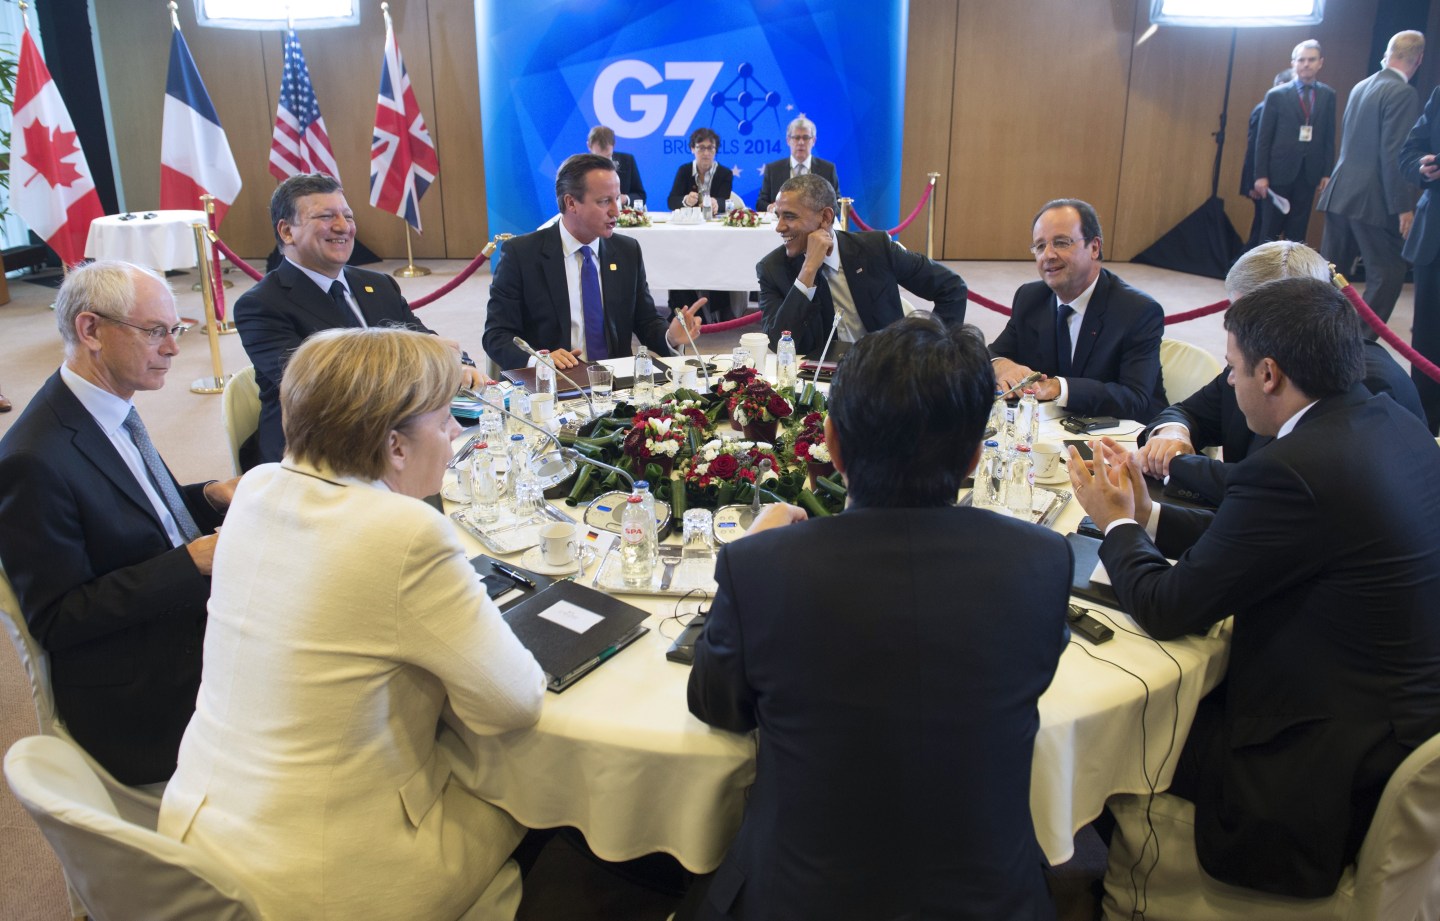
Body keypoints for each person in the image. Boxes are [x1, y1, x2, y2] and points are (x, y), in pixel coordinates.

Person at [685, 315, 1068, 921]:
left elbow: (716, 704)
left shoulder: (761, 568)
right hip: (995, 899)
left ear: (831, 444)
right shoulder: (1044, 561)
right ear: (973, 456)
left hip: (800, 900)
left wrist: (750, 552)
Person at [1069, 276, 1440, 899]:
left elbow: (1168, 608)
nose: (1230, 384)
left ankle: (1110, 889)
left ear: (1269, 374)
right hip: (1397, 722)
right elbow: (1257, 539)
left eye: (1234, 370)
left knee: (1114, 729)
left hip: (1320, 767)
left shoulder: (1294, 469)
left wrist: (1120, 527)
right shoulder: (1387, 422)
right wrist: (1151, 516)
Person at [158, 328, 547, 921]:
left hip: (198, 834)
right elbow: (511, 706)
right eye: (445, 421)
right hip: (329, 879)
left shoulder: (259, 485)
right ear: (395, 445)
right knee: (540, 784)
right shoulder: (405, 533)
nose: (456, 437)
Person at [0, 261, 238, 785]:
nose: (174, 349)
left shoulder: (105, 405)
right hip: (139, 688)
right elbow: (58, 618)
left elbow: (130, 509)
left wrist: (208, 497)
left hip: (175, 616)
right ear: (91, 331)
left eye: (174, 331)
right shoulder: (32, 460)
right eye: (156, 332)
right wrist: (191, 562)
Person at [1136, 241, 1423, 504]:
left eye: (1250, 318)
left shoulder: (1367, 386)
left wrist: (1178, 466)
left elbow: (1282, 488)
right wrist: (1172, 434)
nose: (1238, 330)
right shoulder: (1256, 357)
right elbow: (1190, 412)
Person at [234, 173, 481, 468]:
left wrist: (459, 364)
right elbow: (319, 390)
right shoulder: (261, 305)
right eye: (326, 217)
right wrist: (407, 356)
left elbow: (424, 340)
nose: (343, 227)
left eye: (347, 216)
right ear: (287, 231)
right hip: (319, 452)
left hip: (395, 432)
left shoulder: (377, 284)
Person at [483, 153, 704, 371]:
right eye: (604, 201)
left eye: (616, 198)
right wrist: (539, 361)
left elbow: (645, 320)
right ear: (571, 203)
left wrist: (670, 336)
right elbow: (497, 335)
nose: (616, 211)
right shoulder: (522, 255)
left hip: (616, 387)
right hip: (550, 388)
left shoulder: (627, 251)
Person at [991, 199, 1166, 421]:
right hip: (1055, 430)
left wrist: (1060, 388)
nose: (1048, 255)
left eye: (1062, 243)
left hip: (1123, 437)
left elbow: (1135, 398)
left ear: (1094, 247)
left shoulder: (1138, 311)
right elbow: (992, 354)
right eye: (1040, 246)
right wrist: (1001, 365)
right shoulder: (1030, 297)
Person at [755, 173, 967, 353]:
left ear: (826, 218)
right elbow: (776, 342)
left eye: (790, 217)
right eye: (778, 216)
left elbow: (952, 288)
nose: (779, 227)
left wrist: (936, 351)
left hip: (885, 376)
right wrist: (808, 271)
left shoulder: (876, 249)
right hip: (817, 383)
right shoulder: (772, 269)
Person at [1317, 31, 1424, 330]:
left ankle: (1319, 331)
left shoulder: (1361, 86)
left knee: (1331, 272)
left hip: (1341, 193)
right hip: (1373, 199)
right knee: (1389, 272)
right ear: (1419, 59)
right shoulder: (1403, 93)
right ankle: (1360, 342)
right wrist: (1403, 206)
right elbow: (1392, 154)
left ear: (1388, 53)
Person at [1254, 40, 1337, 243]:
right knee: (1269, 232)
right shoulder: (1276, 95)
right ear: (1293, 63)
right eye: (1301, 60)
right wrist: (1261, 175)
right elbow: (1263, 139)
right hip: (1277, 173)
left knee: (1297, 233)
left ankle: (1291, 275)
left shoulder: (1327, 95)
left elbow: (1329, 135)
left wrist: (1327, 172)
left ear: (1320, 63)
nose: (1306, 64)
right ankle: (1263, 275)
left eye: (1311, 60)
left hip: (1309, 173)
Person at [1400, 85, 1440, 433]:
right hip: (1435, 237)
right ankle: (1425, 427)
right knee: (1428, 337)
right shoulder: (1438, 95)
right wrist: (1421, 167)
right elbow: (1409, 152)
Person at [1241, 70, 1293, 249]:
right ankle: (1243, 270)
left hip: (1272, 182)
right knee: (1262, 232)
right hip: (1261, 183)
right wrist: (1252, 182)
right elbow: (1254, 149)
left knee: (1264, 230)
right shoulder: (1264, 109)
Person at [754, 115, 839, 212]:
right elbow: (760, 203)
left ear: (814, 141)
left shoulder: (827, 169)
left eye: (806, 137)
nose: (801, 142)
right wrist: (771, 207)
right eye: (796, 137)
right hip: (781, 224)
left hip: (815, 225)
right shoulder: (773, 169)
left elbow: (837, 203)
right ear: (788, 141)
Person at [667, 127, 733, 213]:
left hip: (714, 221)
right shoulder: (684, 170)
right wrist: (686, 200)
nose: (706, 153)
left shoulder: (725, 173)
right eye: (701, 148)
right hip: (689, 222)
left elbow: (725, 201)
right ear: (692, 149)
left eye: (710, 148)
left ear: (716, 150)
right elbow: (671, 201)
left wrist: (716, 203)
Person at [588, 124, 646, 207]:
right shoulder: (581, 167)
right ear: (589, 146)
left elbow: (641, 196)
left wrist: (625, 199)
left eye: (607, 156)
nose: (603, 162)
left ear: (613, 145)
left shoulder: (627, 161)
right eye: (598, 157)